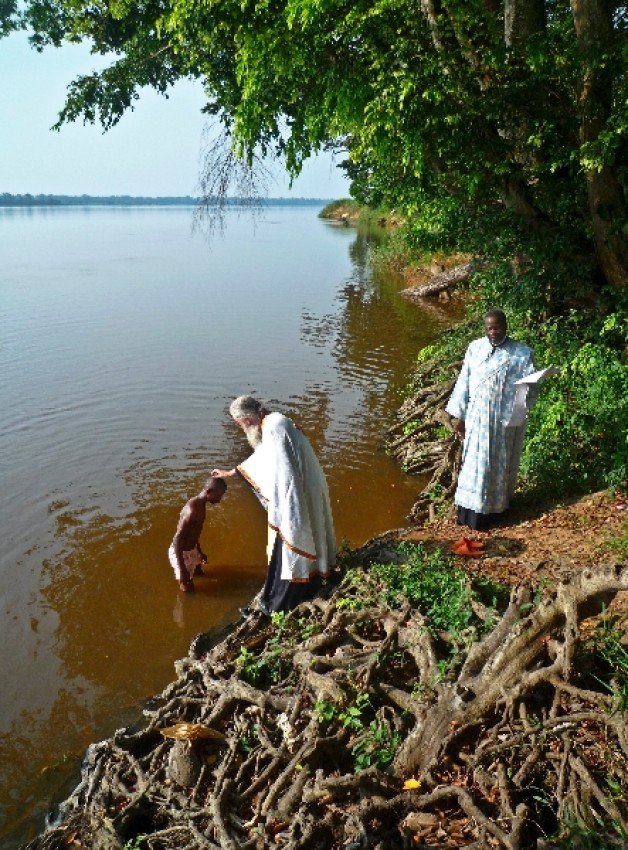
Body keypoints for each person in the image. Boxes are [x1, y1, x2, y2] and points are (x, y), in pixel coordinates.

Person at [211, 395, 336, 613]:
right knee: (296, 539)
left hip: (296, 493)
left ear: (246, 420)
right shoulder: (273, 421)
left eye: (239, 424)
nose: (241, 428)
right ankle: (303, 587)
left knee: (291, 541)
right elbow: (267, 457)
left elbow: (283, 471)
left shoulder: (275, 427)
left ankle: (280, 605)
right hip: (305, 487)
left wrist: (283, 505)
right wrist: (234, 472)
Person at [445, 310, 536, 530]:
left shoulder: (521, 353)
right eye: (489, 328)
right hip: (476, 419)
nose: (493, 332)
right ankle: (467, 513)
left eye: (497, 327)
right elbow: (464, 381)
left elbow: (529, 388)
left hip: (501, 422)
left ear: (505, 326)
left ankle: (492, 514)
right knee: (474, 466)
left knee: (494, 466)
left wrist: (530, 389)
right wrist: (459, 415)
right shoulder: (475, 348)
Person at [168, 477, 227, 592]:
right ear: (209, 491)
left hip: (192, 548)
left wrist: (199, 552)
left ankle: (192, 568)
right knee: (188, 590)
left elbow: (193, 532)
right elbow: (177, 539)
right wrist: (182, 569)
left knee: (200, 573)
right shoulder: (192, 510)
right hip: (181, 552)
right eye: (219, 495)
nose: (220, 499)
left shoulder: (201, 505)